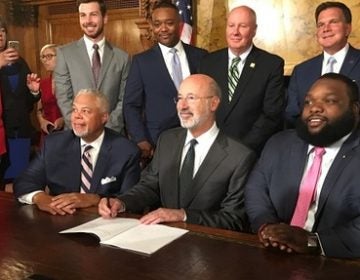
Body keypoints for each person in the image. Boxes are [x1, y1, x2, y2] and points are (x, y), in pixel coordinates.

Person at [99, 74, 256, 231]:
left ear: (213, 104)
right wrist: (121, 202)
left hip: (208, 246)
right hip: (161, 240)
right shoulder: (167, 140)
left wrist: (183, 215)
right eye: (179, 98)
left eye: (191, 98)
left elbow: (234, 220)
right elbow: (150, 185)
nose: (182, 106)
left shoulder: (240, 156)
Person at [245, 73, 360, 258]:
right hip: (274, 255)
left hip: (336, 262)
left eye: (329, 101)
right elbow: (256, 189)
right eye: (308, 102)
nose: (314, 108)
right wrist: (268, 228)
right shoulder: (279, 143)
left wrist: (313, 242)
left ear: (354, 109)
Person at [14, 89, 141, 216]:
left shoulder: (126, 151)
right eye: (75, 109)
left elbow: (131, 200)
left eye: (85, 111)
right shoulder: (54, 144)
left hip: (106, 223)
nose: (77, 116)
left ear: (104, 117)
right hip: (61, 220)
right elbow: (24, 181)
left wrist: (95, 199)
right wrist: (40, 197)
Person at [123, 2, 208, 164]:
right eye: (157, 24)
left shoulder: (201, 57)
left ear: (180, 24)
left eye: (169, 23)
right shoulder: (141, 62)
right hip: (157, 144)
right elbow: (131, 105)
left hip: (198, 138)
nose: (163, 29)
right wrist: (141, 139)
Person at [199, 6, 285, 154]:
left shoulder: (271, 64)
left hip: (249, 152)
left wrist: (241, 149)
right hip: (209, 150)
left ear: (254, 30)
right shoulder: (207, 62)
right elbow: (200, 106)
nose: (235, 32)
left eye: (243, 26)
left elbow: (271, 115)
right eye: (231, 25)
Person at [54, 0, 130, 134]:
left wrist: (107, 129)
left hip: (113, 134)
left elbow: (124, 99)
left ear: (105, 18)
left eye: (93, 14)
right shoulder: (65, 54)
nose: (87, 20)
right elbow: (63, 98)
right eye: (83, 15)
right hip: (77, 135)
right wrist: (81, 126)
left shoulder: (122, 57)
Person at [285, 1, 360, 127]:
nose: (326, 29)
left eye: (333, 22)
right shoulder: (301, 71)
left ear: (348, 28)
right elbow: (292, 114)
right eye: (321, 25)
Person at [0, 17, 41, 180]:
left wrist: (34, 92)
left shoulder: (20, 62)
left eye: (2, 31)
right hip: (2, 133)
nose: (0, 35)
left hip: (21, 131)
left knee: (21, 179)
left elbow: (27, 102)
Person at [36, 44, 64, 143]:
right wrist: (42, 121)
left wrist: (63, 120)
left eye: (49, 56)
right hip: (48, 133)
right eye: (43, 57)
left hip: (67, 131)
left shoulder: (70, 81)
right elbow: (39, 111)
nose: (45, 60)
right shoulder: (42, 83)